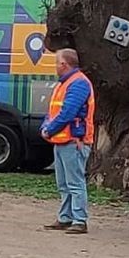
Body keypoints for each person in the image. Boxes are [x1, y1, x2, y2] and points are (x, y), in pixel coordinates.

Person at [40, 48, 97, 234]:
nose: (55, 66)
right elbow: (53, 112)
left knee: (74, 183)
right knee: (64, 183)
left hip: (74, 141)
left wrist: (49, 129)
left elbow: (68, 113)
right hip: (63, 140)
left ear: (64, 64)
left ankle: (79, 220)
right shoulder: (65, 84)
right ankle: (66, 218)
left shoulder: (78, 83)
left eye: (57, 62)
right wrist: (47, 127)